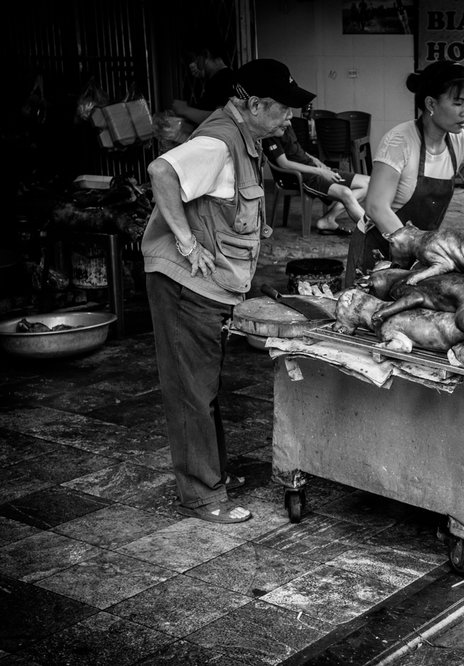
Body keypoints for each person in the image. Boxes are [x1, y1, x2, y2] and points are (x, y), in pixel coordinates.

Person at [142, 59, 315, 524]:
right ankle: (201, 495)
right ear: (253, 104)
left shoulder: (246, 140)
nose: (288, 119)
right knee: (191, 391)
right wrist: (184, 239)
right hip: (184, 283)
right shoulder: (218, 140)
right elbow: (161, 172)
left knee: (205, 386)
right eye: (281, 110)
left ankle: (211, 473)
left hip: (212, 285)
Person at [343, 60, 464, 282]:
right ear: (431, 104)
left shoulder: (460, 142)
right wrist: (418, 248)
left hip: (422, 252)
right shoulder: (399, 142)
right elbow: (376, 207)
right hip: (377, 249)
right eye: (458, 103)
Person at [261, 124, 370, 234]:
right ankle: (374, 233)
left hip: (313, 169)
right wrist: (320, 172)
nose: (289, 118)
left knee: (368, 183)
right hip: (301, 177)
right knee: (345, 193)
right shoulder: (270, 134)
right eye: (285, 111)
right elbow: (284, 164)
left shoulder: (287, 126)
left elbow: (298, 150)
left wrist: (316, 161)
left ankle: (328, 219)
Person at [172, 43, 236, 128]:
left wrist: (185, 110)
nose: (192, 65)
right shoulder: (214, 80)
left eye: (194, 59)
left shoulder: (225, 79)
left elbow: (222, 117)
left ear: (205, 55)